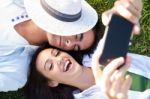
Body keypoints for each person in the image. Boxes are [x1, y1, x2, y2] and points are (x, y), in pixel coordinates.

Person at [0, 0, 142, 91]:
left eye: (75, 48)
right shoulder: (13, 4)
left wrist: (124, 16)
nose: (69, 43)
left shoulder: (18, 72)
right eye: (76, 34)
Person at [25, 44, 133, 99]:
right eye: (50, 66)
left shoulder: (97, 53)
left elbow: (121, 28)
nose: (59, 60)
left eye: (57, 53)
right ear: (52, 82)